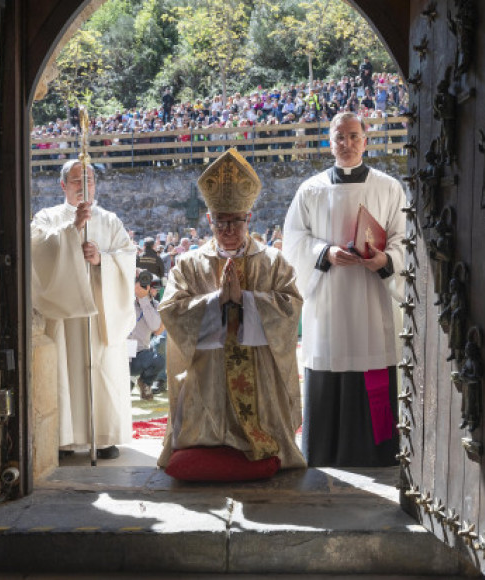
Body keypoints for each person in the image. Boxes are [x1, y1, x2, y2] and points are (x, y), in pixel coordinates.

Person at [157, 147, 306, 474]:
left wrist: (246, 301)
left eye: (235, 222)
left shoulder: (272, 261)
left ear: (248, 218)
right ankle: (209, 441)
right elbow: (170, 309)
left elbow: (291, 306)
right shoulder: (189, 263)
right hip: (207, 369)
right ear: (210, 220)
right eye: (220, 222)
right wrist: (216, 302)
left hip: (258, 366)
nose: (227, 230)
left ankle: (262, 440)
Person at [283, 112, 406, 467]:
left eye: (354, 136)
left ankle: (379, 452)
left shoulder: (388, 187)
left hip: (373, 299)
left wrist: (386, 260)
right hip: (328, 300)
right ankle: (325, 452)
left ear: (366, 140)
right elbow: (293, 240)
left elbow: (406, 237)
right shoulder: (311, 189)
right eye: (340, 137)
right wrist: (324, 252)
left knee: (375, 367)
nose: (347, 144)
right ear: (329, 141)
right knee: (328, 366)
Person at [31, 159, 137, 461]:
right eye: (77, 180)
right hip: (64, 315)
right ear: (63, 185)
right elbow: (37, 253)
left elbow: (127, 256)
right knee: (65, 369)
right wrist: (71, 230)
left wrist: (102, 259)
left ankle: (102, 436)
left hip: (101, 312)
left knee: (100, 367)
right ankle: (63, 438)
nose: (84, 186)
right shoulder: (47, 217)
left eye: (89, 179)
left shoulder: (109, 220)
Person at [129, 269, 166, 400]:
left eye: (154, 288)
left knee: (158, 361)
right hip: (117, 355)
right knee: (123, 392)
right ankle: (130, 382)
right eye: (150, 287)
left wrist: (144, 300)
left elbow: (156, 327)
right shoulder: (126, 301)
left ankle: (145, 383)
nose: (154, 292)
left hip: (139, 356)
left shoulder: (155, 306)